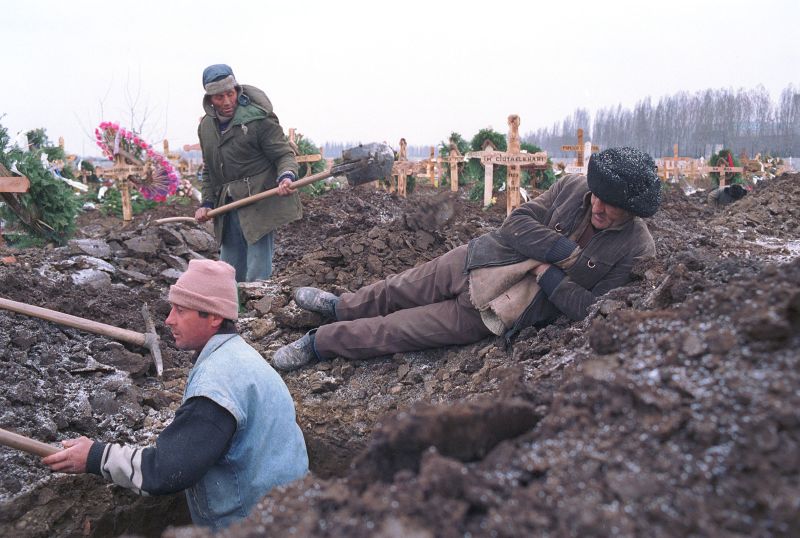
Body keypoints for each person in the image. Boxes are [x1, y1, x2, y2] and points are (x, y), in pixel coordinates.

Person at [273, 147, 661, 371]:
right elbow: (517, 224)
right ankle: (340, 307)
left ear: (633, 210)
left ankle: (318, 342)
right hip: (475, 260)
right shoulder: (573, 187)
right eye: (597, 195)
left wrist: (548, 276)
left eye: (612, 205)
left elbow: (591, 307)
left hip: (495, 311)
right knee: (396, 289)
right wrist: (567, 256)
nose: (598, 206)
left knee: (395, 330)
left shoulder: (636, 249)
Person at [43, 260, 309, 531]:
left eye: (181, 310)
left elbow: (168, 471)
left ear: (214, 317)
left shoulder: (216, 386)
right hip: (291, 511)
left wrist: (95, 456)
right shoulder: (243, 357)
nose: (169, 319)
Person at [195, 64, 301, 282]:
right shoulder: (206, 127)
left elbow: (284, 155)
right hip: (228, 205)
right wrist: (206, 203)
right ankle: (231, 311)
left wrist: (286, 176)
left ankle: (257, 311)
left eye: (230, 94)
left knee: (257, 269)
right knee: (229, 268)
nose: (226, 102)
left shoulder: (257, 120)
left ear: (237, 91)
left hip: (259, 201)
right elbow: (210, 170)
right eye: (218, 97)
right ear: (209, 100)